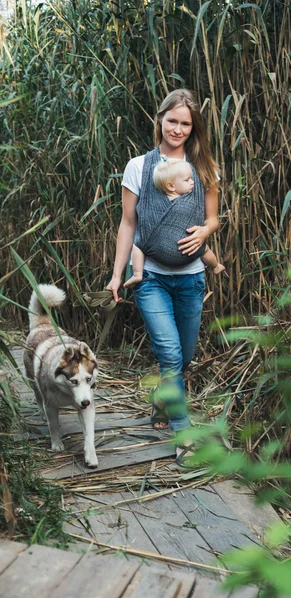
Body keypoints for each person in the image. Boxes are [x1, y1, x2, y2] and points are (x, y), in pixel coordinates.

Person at [107, 89, 220, 466]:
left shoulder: (203, 167)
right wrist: (115, 273)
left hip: (190, 279)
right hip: (151, 277)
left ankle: (162, 398)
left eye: (185, 123)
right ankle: (184, 435)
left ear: (193, 127)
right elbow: (128, 223)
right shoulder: (139, 166)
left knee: (183, 357)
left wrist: (206, 232)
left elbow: (214, 217)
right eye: (172, 120)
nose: (177, 128)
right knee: (170, 356)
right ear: (160, 119)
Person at [124, 157, 224, 287]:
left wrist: (205, 230)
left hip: (191, 248)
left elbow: (211, 218)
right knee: (138, 244)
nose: (193, 183)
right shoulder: (156, 200)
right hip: (154, 260)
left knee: (204, 249)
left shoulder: (190, 199)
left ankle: (215, 266)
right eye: (187, 180)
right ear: (171, 186)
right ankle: (138, 274)